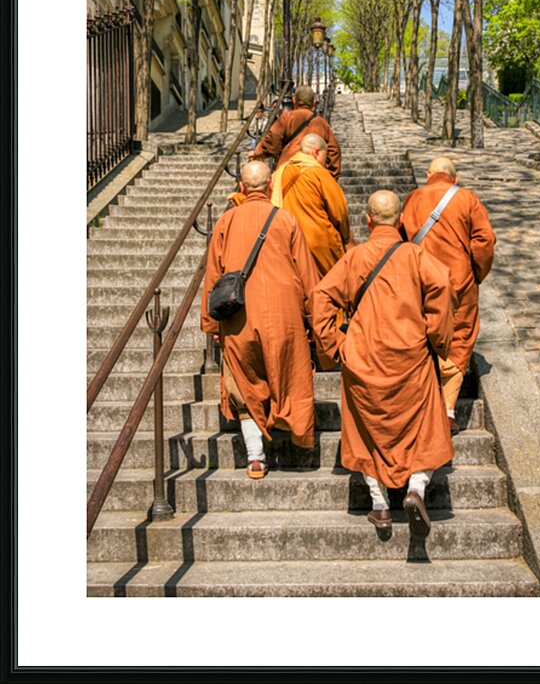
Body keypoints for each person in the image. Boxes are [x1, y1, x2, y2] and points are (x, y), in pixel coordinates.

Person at [311, 190, 456, 541]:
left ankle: (379, 505)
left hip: (363, 358)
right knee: (425, 425)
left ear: (368, 219)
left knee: (366, 432)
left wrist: (338, 345)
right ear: (401, 218)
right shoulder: (416, 255)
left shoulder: (354, 257)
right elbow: (443, 286)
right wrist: (437, 340)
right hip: (411, 356)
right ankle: (416, 489)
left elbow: (320, 298)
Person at [201, 160, 319, 479]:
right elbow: (308, 277)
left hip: (239, 316)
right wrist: (316, 321)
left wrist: (213, 324)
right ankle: (296, 439)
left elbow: (213, 275)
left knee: (242, 383)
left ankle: (256, 457)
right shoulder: (287, 220)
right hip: (285, 316)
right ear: (270, 188)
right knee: (290, 375)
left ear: (241, 188)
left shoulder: (226, 221)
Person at [400, 156, 496, 434]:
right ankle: (448, 410)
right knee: (460, 337)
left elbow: (402, 236)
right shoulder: (467, 198)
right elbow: (484, 240)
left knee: (422, 335)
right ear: (455, 178)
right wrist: (477, 271)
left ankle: (419, 404)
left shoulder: (412, 198)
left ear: (428, 174)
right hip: (459, 281)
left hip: (420, 281)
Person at [271, 132, 352, 277]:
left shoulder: (280, 173)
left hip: (290, 244)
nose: (325, 163)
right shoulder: (319, 174)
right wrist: (345, 237)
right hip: (320, 244)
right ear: (316, 152)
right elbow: (339, 212)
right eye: (325, 158)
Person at [247, 84, 342, 179]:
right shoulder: (322, 123)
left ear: (294, 101)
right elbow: (334, 151)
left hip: (288, 173)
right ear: (313, 103)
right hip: (313, 174)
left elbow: (272, 141)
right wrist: (329, 177)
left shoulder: (286, 118)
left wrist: (257, 152)